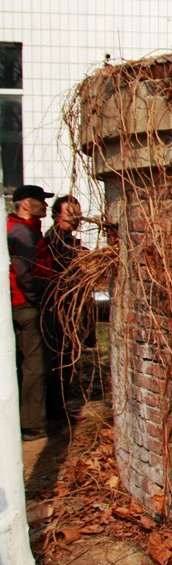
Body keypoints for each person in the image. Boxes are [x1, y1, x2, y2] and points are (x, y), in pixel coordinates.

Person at [8, 184, 53, 440]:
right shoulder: (23, 233)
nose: (45, 205)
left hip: (20, 303)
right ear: (25, 204)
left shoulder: (20, 229)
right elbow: (26, 274)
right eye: (40, 201)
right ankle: (33, 424)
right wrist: (39, 299)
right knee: (35, 366)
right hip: (26, 305)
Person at [42, 195, 90, 423]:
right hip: (61, 307)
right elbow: (76, 259)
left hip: (69, 305)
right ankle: (56, 411)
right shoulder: (55, 239)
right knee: (61, 359)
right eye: (71, 213)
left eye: (78, 213)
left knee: (67, 358)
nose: (77, 218)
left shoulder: (66, 238)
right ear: (57, 215)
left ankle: (59, 409)